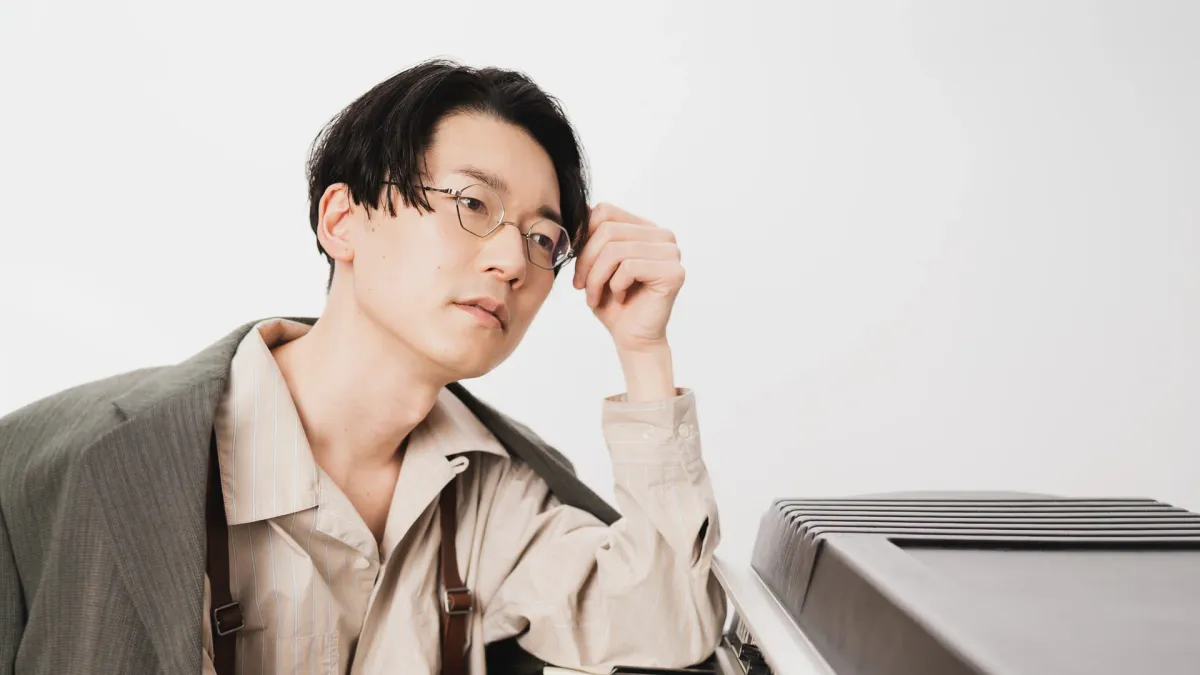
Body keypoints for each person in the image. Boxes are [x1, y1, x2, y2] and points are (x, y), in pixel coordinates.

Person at [0, 59, 725, 675]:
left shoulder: (491, 492)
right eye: (473, 202)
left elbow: (668, 623)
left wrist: (643, 350)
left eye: (543, 238)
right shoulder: (99, 460)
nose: (511, 260)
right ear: (342, 221)